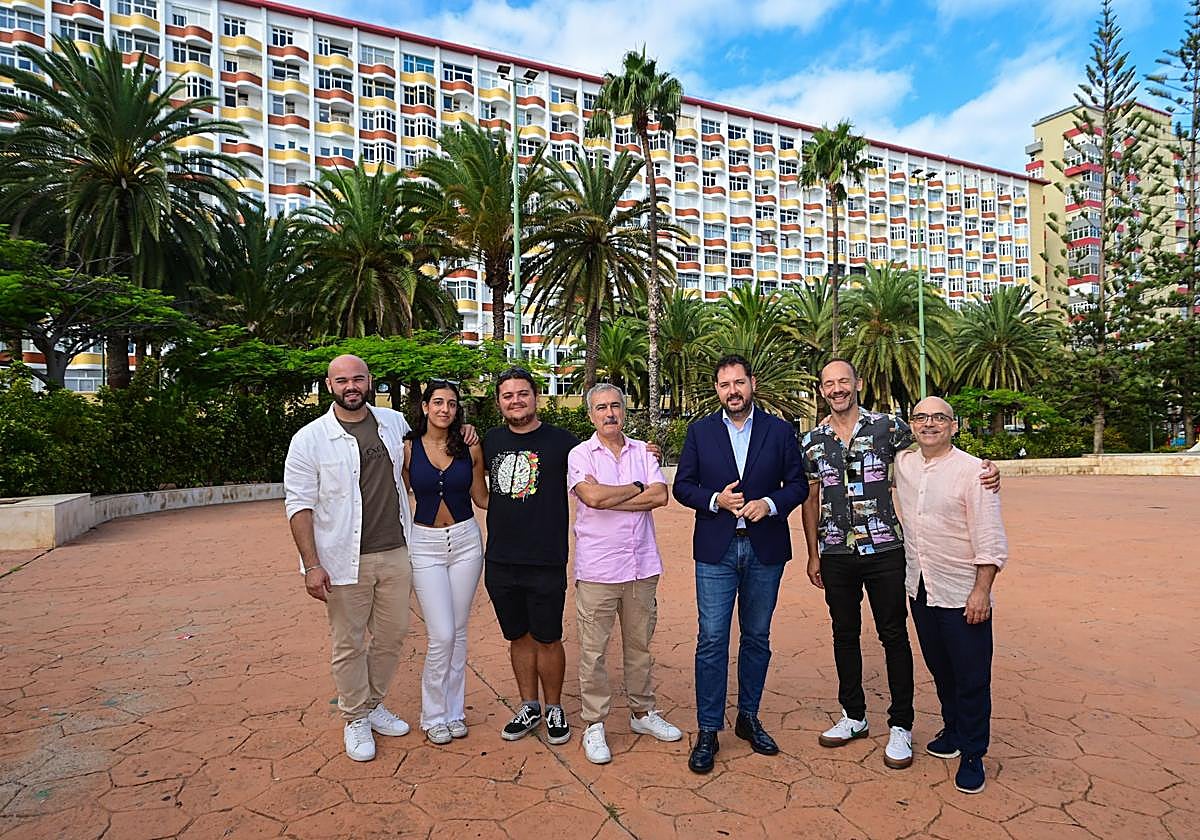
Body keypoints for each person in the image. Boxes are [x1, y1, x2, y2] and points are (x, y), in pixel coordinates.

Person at [801, 359, 998, 771]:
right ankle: (853, 716)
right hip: (836, 552)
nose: (837, 389)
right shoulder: (812, 441)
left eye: (844, 381)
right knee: (844, 635)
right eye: (829, 383)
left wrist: (989, 470)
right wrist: (813, 552)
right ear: (821, 390)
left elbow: (937, 444)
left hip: (886, 551)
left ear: (858, 384)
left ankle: (901, 725)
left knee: (893, 636)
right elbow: (811, 496)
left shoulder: (889, 427)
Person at [283, 355, 476, 762]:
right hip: (342, 559)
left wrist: (465, 429)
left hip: (396, 552)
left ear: (369, 381)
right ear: (329, 384)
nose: (350, 386)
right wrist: (312, 564)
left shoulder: (392, 425)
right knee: (349, 642)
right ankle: (355, 716)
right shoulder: (309, 439)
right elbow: (298, 505)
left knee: (391, 637)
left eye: (357, 379)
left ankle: (372, 705)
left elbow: (431, 441)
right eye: (342, 380)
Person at [673, 354, 809, 774]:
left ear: (752, 383)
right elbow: (682, 486)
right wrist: (717, 500)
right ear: (717, 390)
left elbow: (799, 485)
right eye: (724, 385)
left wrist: (768, 504)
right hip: (716, 550)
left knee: (756, 637)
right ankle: (709, 729)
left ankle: (748, 718)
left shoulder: (781, 431)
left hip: (764, 550)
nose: (732, 391)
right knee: (712, 639)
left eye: (738, 383)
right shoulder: (700, 432)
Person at [894, 397, 1008, 794]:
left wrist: (982, 590)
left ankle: (974, 753)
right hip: (922, 586)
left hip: (963, 592)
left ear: (954, 426)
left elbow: (991, 537)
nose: (929, 424)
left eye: (939, 418)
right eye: (921, 417)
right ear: (911, 425)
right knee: (941, 668)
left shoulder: (974, 472)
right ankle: (954, 730)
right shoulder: (904, 465)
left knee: (972, 675)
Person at [568, 383, 682, 764]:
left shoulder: (643, 451)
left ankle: (642, 713)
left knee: (639, 647)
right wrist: (635, 489)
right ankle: (595, 724)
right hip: (599, 568)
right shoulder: (580, 454)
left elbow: (660, 497)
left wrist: (613, 495)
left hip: (641, 566)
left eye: (615, 406)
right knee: (594, 652)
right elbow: (591, 498)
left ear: (624, 410)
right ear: (591, 415)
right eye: (601, 408)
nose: (609, 413)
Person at [482, 367, 579, 746]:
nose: (516, 401)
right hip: (501, 560)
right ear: (499, 402)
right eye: (508, 395)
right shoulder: (488, 441)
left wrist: (643, 452)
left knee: (548, 637)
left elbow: (602, 457)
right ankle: (529, 706)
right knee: (518, 637)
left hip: (546, 558)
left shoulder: (563, 442)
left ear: (535, 397)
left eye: (522, 393)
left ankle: (554, 707)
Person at [402, 380, 489, 745]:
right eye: (438, 402)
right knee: (441, 634)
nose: (445, 410)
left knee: (459, 630)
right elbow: (398, 488)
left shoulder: (469, 445)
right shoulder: (406, 448)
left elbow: (483, 497)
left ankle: (454, 711)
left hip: (466, 542)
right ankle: (432, 713)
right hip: (425, 545)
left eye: (452, 404)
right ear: (424, 407)